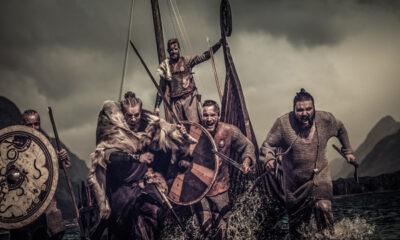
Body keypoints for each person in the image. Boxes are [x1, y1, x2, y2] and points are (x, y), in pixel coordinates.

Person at [88, 91, 196, 239]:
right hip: (123, 187)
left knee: (158, 212)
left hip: (146, 182)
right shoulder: (115, 131)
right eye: (129, 116)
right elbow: (109, 155)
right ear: (123, 115)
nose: (133, 119)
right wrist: (137, 157)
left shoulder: (148, 127)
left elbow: (167, 139)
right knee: (122, 226)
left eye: (136, 115)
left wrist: (180, 134)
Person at [259, 88, 356, 239]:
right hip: (294, 186)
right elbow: (267, 145)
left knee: (323, 207)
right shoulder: (283, 124)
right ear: (294, 110)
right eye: (300, 110)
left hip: (319, 177)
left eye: (308, 109)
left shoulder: (325, 119)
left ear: (314, 108)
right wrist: (269, 158)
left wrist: (348, 151)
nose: (305, 113)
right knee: (298, 233)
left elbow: (340, 128)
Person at [192, 100, 256, 239]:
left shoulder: (229, 131)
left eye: (212, 115)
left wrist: (246, 162)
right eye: (205, 115)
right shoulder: (194, 132)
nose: (209, 119)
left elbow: (248, 146)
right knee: (204, 228)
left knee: (223, 230)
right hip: (200, 191)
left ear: (218, 115)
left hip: (220, 187)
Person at [9, 109, 71, 240]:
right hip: (22, 204)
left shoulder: (47, 144)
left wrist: (62, 157)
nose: (33, 128)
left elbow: (60, 165)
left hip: (45, 202)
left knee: (52, 232)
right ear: (22, 125)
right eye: (29, 125)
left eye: (36, 124)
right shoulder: (13, 147)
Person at [154, 38, 223, 123]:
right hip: (176, 103)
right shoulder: (166, 67)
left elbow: (205, 56)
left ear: (179, 49)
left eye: (175, 49)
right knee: (178, 129)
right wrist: (157, 106)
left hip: (189, 100)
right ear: (168, 51)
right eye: (171, 50)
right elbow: (161, 88)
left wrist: (219, 44)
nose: (173, 51)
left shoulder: (187, 61)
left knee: (195, 127)